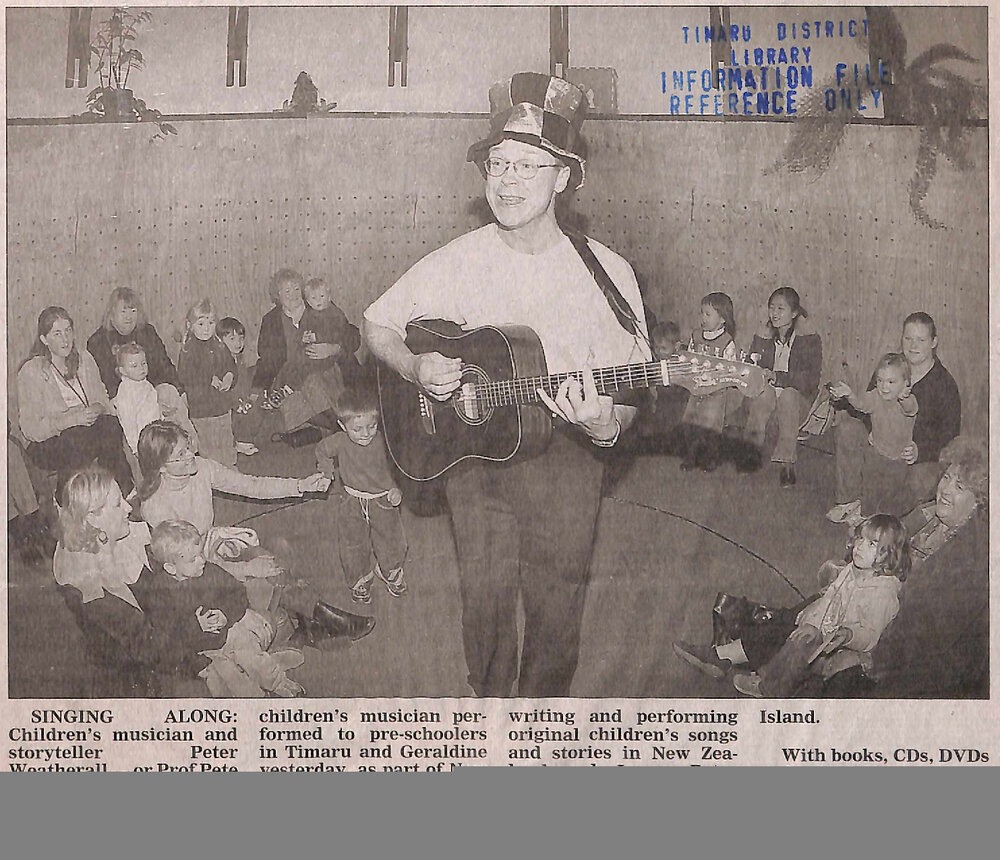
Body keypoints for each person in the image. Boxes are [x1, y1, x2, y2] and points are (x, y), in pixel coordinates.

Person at [364, 72, 651, 697]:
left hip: (567, 462)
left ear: (565, 177)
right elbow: (376, 323)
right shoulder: (458, 256)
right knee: (485, 601)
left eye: (528, 165)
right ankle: (489, 707)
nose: (508, 180)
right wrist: (416, 369)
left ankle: (537, 723)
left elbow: (634, 387)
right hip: (472, 459)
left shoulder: (608, 272)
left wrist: (608, 425)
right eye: (498, 164)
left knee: (556, 607)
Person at [674, 513, 910, 698]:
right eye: (860, 539)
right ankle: (729, 658)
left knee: (798, 643)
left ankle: (769, 687)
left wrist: (847, 635)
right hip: (828, 628)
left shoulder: (883, 594)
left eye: (871, 544)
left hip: (847, 648)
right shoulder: (854, 569)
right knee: (797, 626)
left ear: (887, 555)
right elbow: (830, 598)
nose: (859, 546)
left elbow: (869, 636)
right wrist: (811, 618)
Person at [873, 436, 988, 698]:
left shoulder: (965, 559)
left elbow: (923, 625)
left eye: (959, 487)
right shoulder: (930, 513)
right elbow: (891, 541)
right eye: (946, 478)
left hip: (897, 637)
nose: (945, 490)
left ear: (978, 503)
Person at [146, 520, 305, 697]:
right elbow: (168, 636)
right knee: (230, 680)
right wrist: (195, 625)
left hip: (230, 633)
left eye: (201, 554)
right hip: (203, 651)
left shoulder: (210, 571)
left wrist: (225, 614)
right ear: (170, 567)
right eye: (193, 559)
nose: (202, 561)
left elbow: (237, 594)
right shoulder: (159, 594)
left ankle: (276, 681)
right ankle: (259, 697)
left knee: (247, 651)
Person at [51, 464, 167, 696]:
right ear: (92, 517)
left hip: (131, 642)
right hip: (136, 672)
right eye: (117, 504)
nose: (127, 507)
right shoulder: (96, 594)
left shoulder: (85, 534)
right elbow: (150, 647)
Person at [834, 312, 961, 512]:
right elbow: (868, 405)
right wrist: (871, 431)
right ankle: (848, 501)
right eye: (908, 338)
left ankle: (884, 516)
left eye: (921, 340)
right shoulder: (890, 368)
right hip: (882, 446)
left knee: (921, 480)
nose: (913, 346)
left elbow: (951, 435)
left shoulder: (945, 384)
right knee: (848, 428)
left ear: (934, 342)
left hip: (916, 457)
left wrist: (922, 451)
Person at [136, 420, 329, 534]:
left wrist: (300, 486)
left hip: (208, 540)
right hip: (188, 561)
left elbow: (252, 485)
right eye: (180, 455)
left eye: (187, 447)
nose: (190, 455)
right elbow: (182, 557)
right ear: (161, 467)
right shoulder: (155, 507)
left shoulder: (203, 468)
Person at [17, 306, 134, 495]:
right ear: (44, 339)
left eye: (68, 330)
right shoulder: (31, 371)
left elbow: (101, 398)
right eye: (57, 333)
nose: (65, 339)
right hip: (46, 442)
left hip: (85, 432)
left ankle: (122, 492)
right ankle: (66, 498)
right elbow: (31, 429)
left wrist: (96, 408)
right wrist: (71, 420)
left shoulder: (84, 358)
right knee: (77, 438)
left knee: (111, 425)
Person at [316, 377, 407, 604]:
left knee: (392, 539)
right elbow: (322, 450)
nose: (365, 433)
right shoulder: (339, 441)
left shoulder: (385, 443)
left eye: (372, 426)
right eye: (357, 429)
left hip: (383, 499)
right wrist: (327, 472)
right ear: (342, 426)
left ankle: (391, 570)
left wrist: (397, 488)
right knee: (352, 542)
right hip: (351, 499)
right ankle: (359, 578)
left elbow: (401, 466)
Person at [740, 287, 822, 487]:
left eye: (781, 309)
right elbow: (753, 365)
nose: (774, 313)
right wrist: (757, 371)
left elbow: (810, 381)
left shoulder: (809, 339)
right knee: (765, 393)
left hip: (796, 400)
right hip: (767, 394)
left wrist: (778, 377)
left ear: (794, 313)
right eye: (771, 308)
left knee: (788, 396)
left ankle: (787, 462)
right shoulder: (764, 335)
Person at [826, 353, 918, 524]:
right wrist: (849, 394)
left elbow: (910, 409)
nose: (884, 387)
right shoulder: (876, 396)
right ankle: (863, 517)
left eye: (891, 382)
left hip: (897, 460)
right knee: (870, 488)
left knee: (890, 497)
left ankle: (881, 524)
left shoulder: (907, 400)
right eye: (880, 380)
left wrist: (904, 397)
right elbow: (861, 404)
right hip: (875, 453)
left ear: (906, 384)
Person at [679, 292, 738, 472]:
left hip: (715, 393)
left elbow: (731, 368)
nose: (702, 318)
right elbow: (689, 356)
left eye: (708, 314)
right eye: (701, 313)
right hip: (696, 389)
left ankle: (711, 457)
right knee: (691, 422)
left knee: (711, 426)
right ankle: (692, 454)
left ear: (722, 319)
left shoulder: (727, 342)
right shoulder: (696, 336)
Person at [86, 287, 180, 399]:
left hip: (154, 393)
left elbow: (165, 367)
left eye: (133, 311)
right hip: (121, 399)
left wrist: (178, 391)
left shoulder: (148, 333)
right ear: (111, 315)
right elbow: (105, 383)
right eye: (123, 311)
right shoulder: (98, 342)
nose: (129, 317)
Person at [177, 299, 238, 466]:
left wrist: (229, 376)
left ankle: (231, 470)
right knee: (209, 448)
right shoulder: (188, 349)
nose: (206, 329)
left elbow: (230, 365)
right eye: (201, 324)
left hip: (222, 406)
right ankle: (213, 480)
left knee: (226, 441)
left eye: (211, 323)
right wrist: (208, 379)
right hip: (202, 410)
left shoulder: (219, 345)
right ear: (190, 325)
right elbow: (185, 376)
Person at [217, 316, 260, 456]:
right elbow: (225, 389)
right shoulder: (222, 362)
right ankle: (241, 441)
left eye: (241, 338)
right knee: (240, 413)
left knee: (255, 407)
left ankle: (247, 438)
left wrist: (248, 395)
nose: (238, 343)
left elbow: (245, 380)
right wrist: (236, 401)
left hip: (242, 396)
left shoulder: (239, 358)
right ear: (221, 341)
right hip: (230, 400)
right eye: (232, 339)